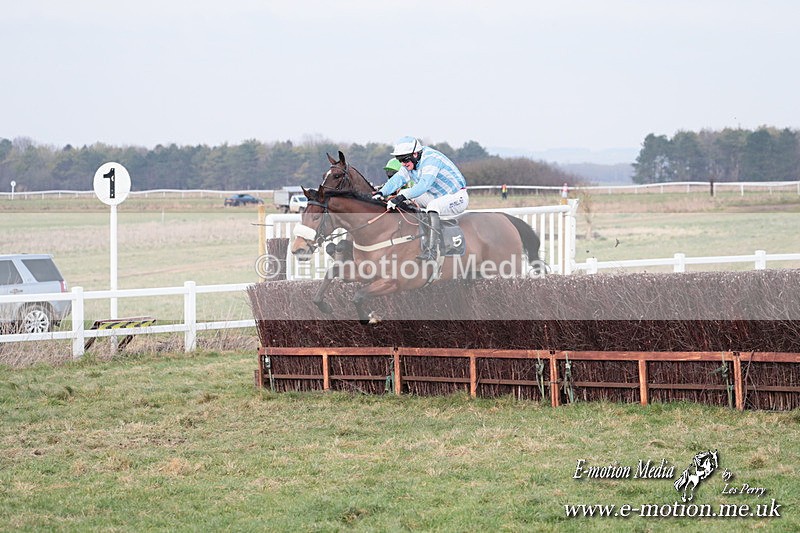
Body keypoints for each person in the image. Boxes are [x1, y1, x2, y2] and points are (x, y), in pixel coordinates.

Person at [372, 136, 468, 261]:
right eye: (399, 160)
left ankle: (432, 251)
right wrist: (381, 192)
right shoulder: (411, 162)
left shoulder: (431, 159)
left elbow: (424, 185)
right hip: (435, 196)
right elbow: (397, 179)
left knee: (432, 206)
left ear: (415, 154)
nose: (403, 164)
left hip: (456, 197)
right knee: (404, 193)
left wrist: (400, 198)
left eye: (404, 159)